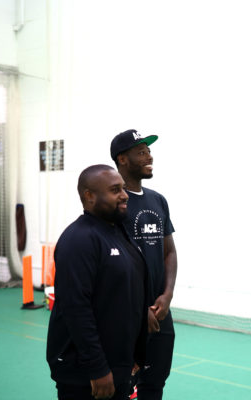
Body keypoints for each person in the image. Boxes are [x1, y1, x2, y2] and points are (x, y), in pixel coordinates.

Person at [46, 164, 149, 399]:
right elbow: (76, 309)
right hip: (87, 374)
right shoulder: (79, 240)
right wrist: (97, 369)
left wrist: (134, 354)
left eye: (123, 188)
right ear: (89, 196)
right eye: (115, 190)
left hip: (118, 364)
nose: (124, 195)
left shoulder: (120, 233)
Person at [110, 129, 177, 399]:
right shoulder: (113, 203)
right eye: (141, 152)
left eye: (149, 151)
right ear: (122, 159)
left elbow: (169, 252)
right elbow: (111, 266)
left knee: (155, 383)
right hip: (125, 313)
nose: (149, 156)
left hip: (160, 312)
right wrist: (138, 309)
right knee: (122, 385)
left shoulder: (158, 200)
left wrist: (168, 295)